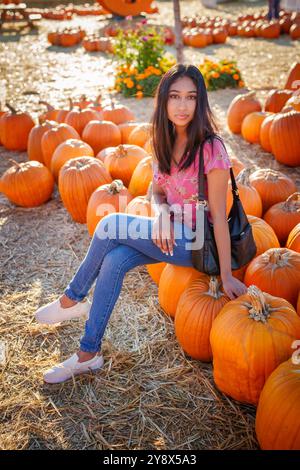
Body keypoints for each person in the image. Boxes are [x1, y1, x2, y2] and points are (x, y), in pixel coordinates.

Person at [35, 64, 247, 384]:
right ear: (163, 101)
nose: (182, 105)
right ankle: (88, 354)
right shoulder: (163, 140)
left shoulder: (211, 148)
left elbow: (217, 214)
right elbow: (157, 190)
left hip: (194, 241)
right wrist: (160, 213)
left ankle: (71, 299)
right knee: (114, 260)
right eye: (174, 96)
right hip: (166, 232)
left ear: (200, 102)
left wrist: (227, 276)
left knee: (109, 226)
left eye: (190, 97)